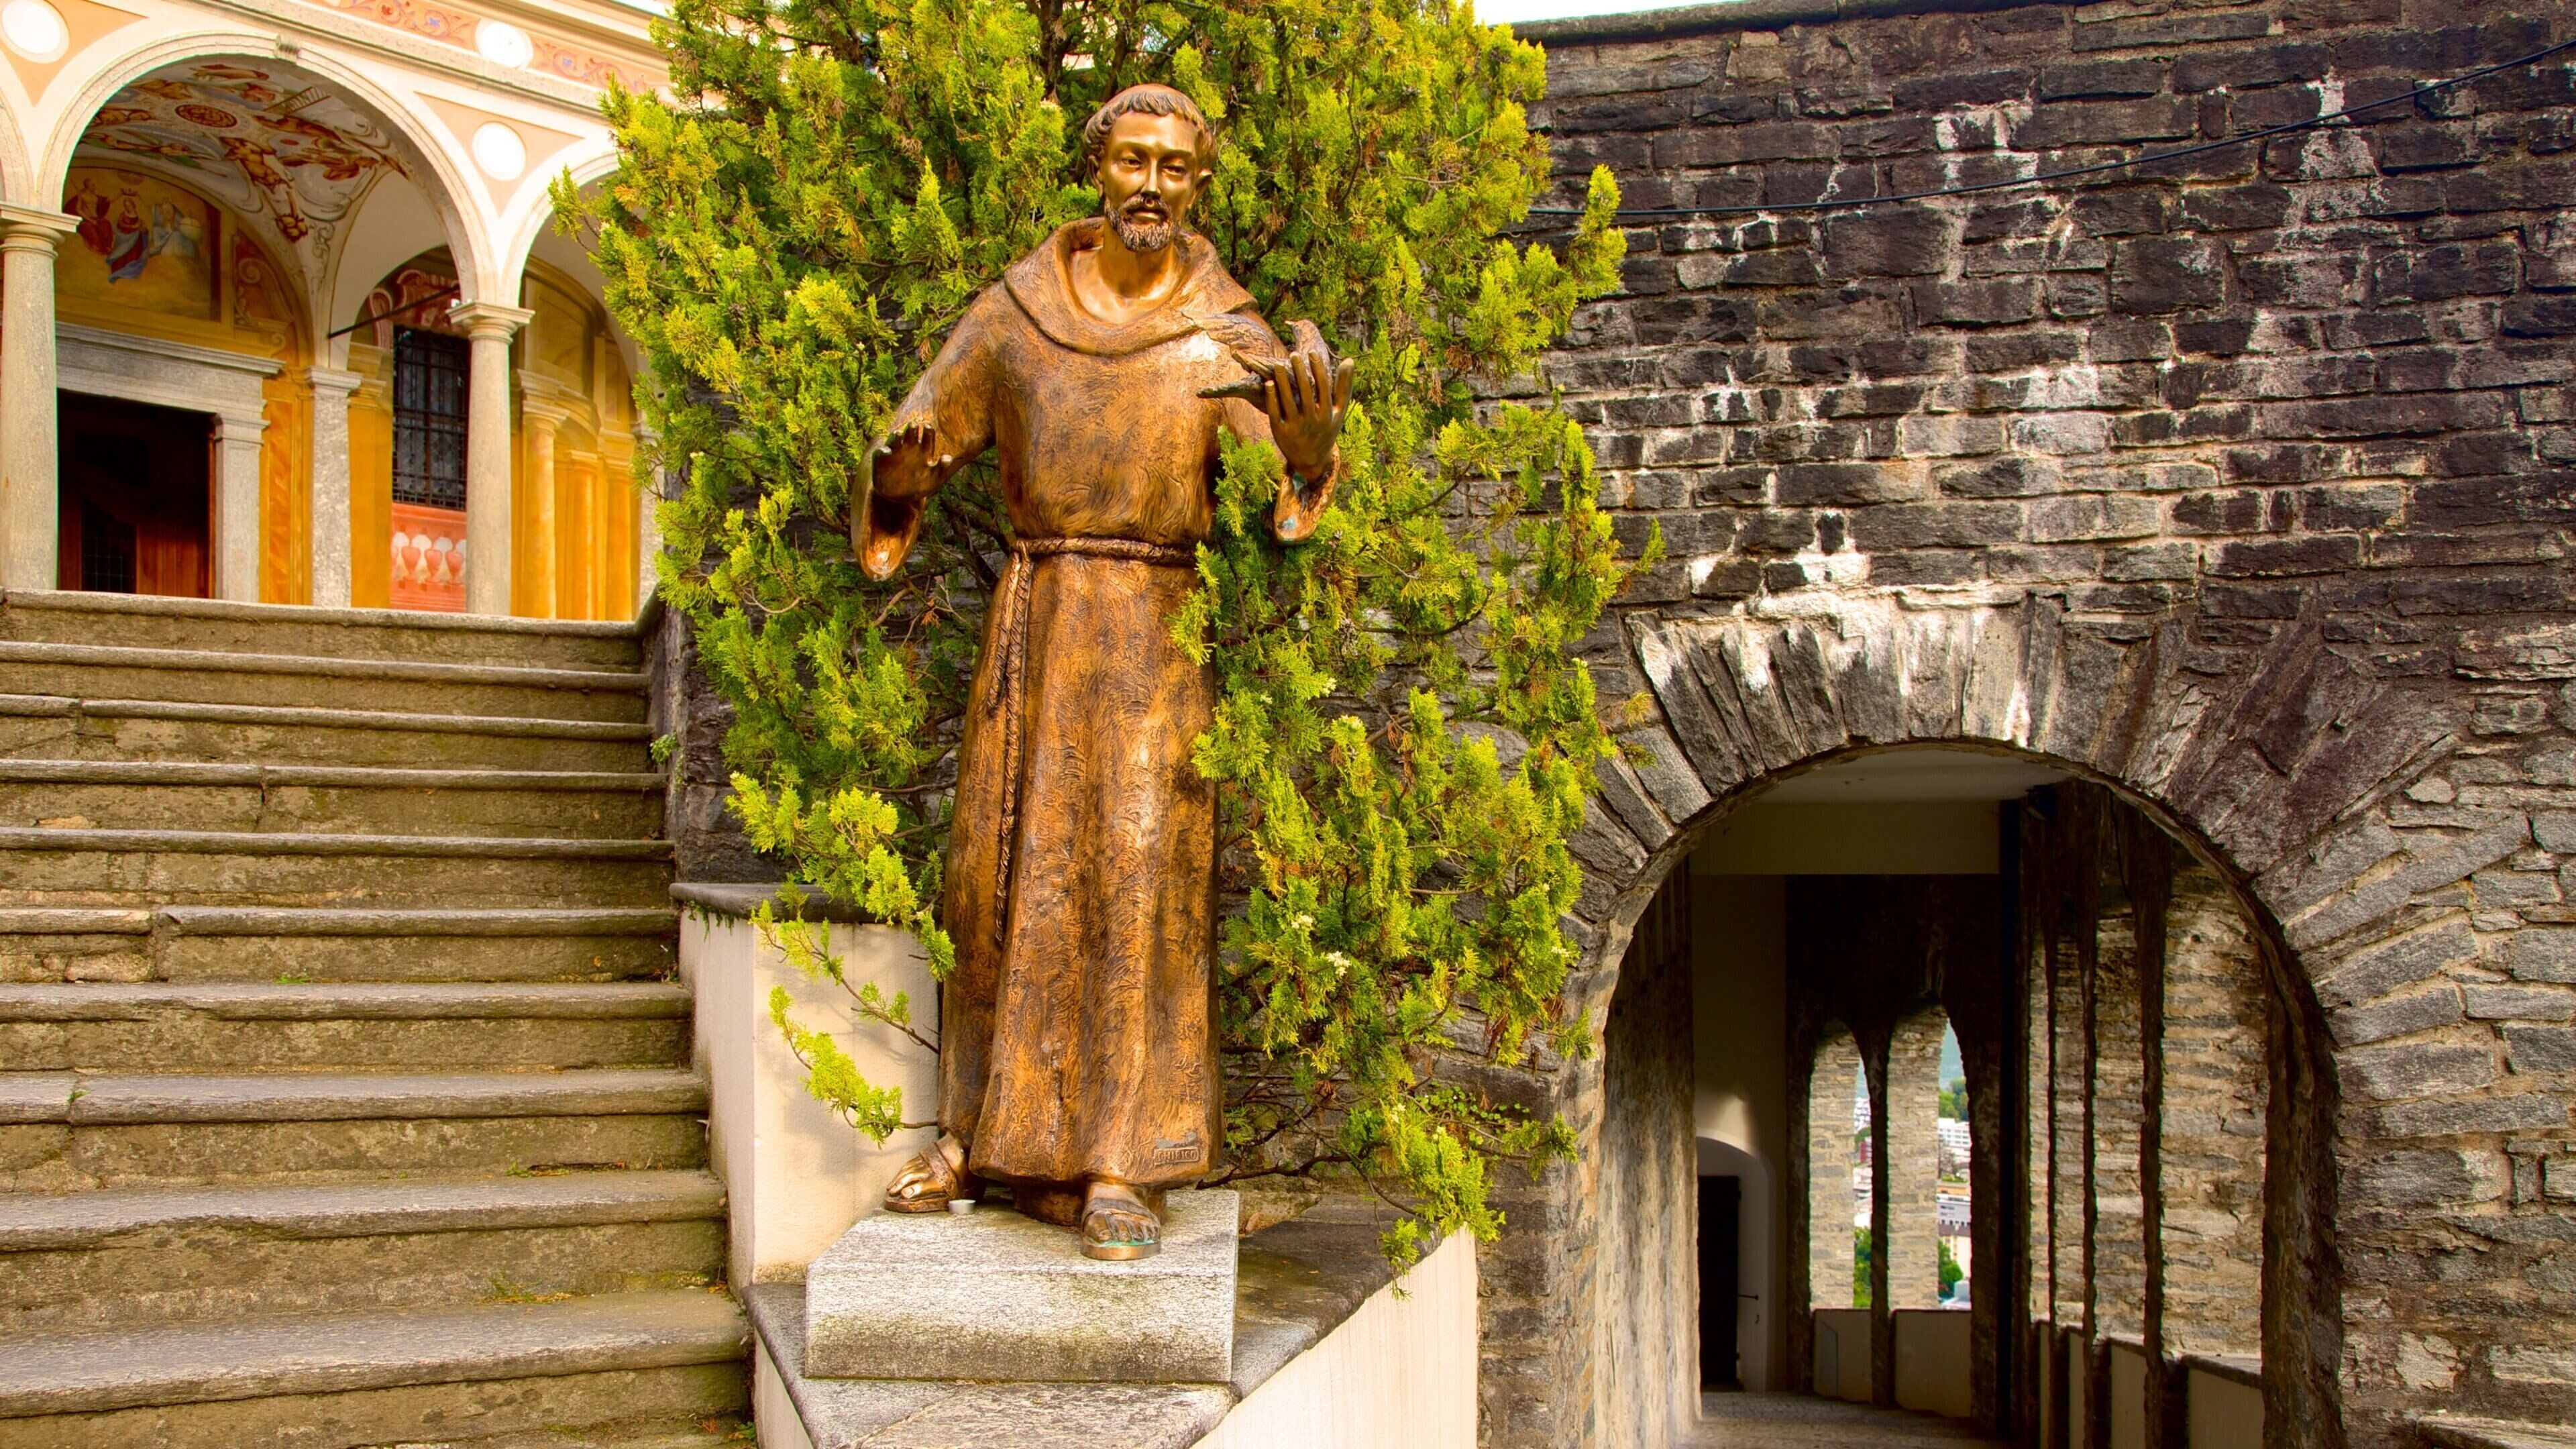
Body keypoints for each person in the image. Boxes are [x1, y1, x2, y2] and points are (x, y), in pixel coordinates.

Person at [860, 83, 1350, 1260]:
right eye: (1134, 161)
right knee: (995, 877)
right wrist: (903, 473)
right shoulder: (1016, 312)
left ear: (1198, 185)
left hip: (1151, 626)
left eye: (1176, 169)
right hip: (1035, 618)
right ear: (1100, 169)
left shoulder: (1222, 327)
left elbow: (1290, 477)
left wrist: (1308, 451)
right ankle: (979, 1136)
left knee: (1137, 886)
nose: (1152, 185)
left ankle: (1123, 1160)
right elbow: (917, 441)